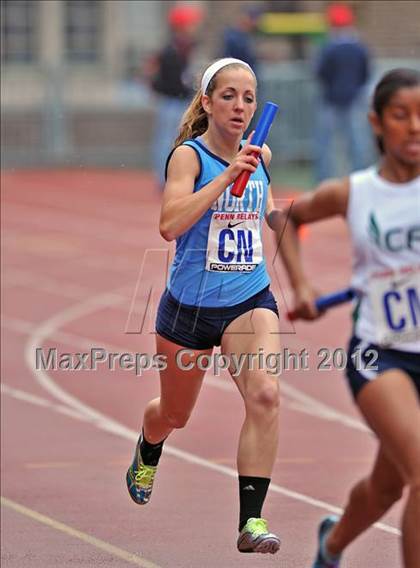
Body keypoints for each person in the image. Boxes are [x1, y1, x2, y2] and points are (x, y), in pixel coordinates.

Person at [126, 57, 286, 555]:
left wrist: (301, 227)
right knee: (175, 413)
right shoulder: (188, 158)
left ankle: (252, 521)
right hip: (189, 311)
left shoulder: (256, 155)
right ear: (207, 102)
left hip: (248, 298)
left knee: (265, 395)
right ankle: (149, 448)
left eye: (249, 97)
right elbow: (169, 225)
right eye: (229, 96)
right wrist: (227, 177)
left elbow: (270, 213)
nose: (240, 106)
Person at [277, 68, 420, 567]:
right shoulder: (354, 192)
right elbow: (286, 218)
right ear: (376, 122)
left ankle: (331, 544)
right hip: (380, 353)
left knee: (388, 489)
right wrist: (304, 285)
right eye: (402, 116)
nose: (416, 126)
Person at [314, 2, 372, 182]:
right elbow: (365, 72)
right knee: (357, 143)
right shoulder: (359, 47)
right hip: (354, 99)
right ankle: (360, 178)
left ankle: (323, 180)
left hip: (331, 100)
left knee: (325, 144)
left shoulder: (329, 47)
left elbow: (321, 72)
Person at [148, 4, 203, 189]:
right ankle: (163, 178)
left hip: (181, 100)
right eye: (191, 23)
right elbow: (168, 77)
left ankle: (176, 175)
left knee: (180, 139)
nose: (194, 27)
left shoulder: (187, 47)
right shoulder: (172, 49)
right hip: (171, 100)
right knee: (166, 140)